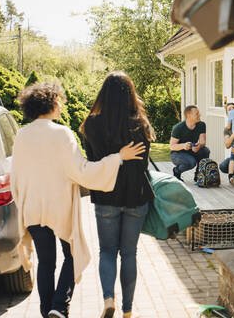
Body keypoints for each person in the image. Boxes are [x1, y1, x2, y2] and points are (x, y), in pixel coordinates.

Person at [11, 82, 145, 318]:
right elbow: (81, 171)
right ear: (50, 103)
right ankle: (59, 306)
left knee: (46, 262)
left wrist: (21, 208)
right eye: (59, 101)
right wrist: (118, 158)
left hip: (32, 206)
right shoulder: (62, 133)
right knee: (72, 255)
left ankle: (47, 311)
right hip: (58, 207)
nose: (61, 106)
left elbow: (16, 175)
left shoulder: (21, 135)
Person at [80, 71, 155, 318]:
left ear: (104, 94)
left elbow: (92, 162)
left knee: (108, 251)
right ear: (130, 94)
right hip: (136, 197)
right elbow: (143, 162)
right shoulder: (140, 123)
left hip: (106, 198)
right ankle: (128, 311)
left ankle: (108, 299)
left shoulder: (91, 124)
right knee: (129, 253)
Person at [170, 105, 210, 181]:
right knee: (191, 162)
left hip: (191, 150)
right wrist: (184, 146)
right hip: (177, 153)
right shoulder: (178, 128)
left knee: (205, 151)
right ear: (188, 115)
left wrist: (199, 146)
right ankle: (177, 171)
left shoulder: (201, 125)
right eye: (197, 114)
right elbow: (172, 146)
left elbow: (202, 142)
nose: (199, 115)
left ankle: (199, 175)